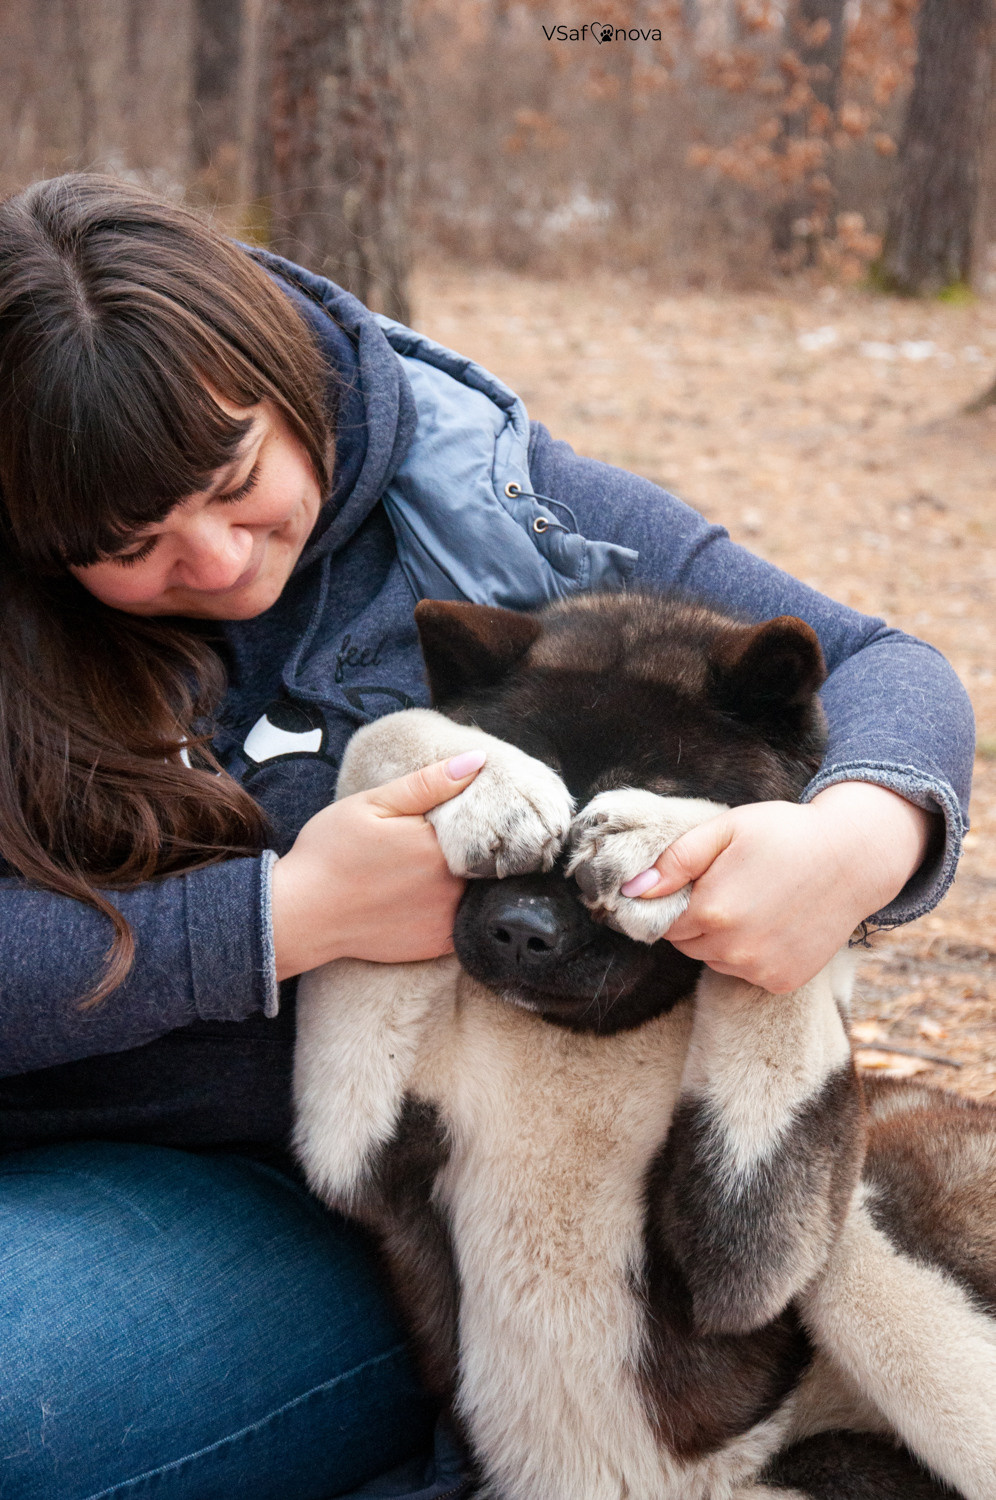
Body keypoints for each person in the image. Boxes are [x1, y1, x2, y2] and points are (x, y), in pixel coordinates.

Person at [0, 175, 974, 1500]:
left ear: (282, 378)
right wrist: (286, 920)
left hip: (355, 1210)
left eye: (235, 484)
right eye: (133, 545)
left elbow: (879, 665)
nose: (221, 561)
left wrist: (856, 842)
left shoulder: (482, 497)